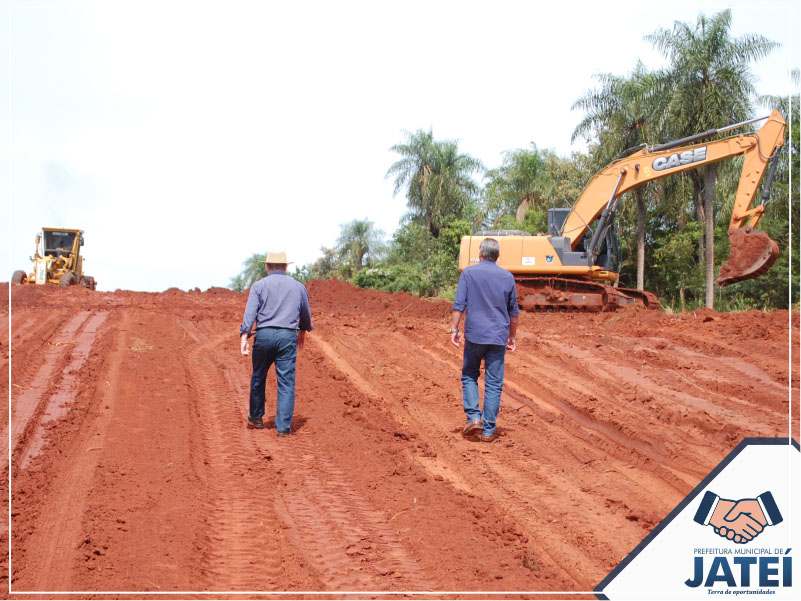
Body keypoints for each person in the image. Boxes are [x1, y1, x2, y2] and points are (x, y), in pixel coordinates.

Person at [449, 238, 519, 442]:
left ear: (480, 253)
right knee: (494, 383)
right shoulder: (507, 277)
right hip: (498, 336)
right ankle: (488, 430)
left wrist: (454, 329)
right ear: (497, 256)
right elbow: (513, 313)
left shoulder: (469, 273)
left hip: (475, 335)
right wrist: (512, 336)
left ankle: (473, 417)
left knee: (470, 374)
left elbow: (459, 304)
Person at [240, 251, 313, 436]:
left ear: (267, 266)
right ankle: (283, 428)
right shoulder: (298, 287)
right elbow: (305, 314)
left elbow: (250, 313)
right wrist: (303, 330)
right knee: (286, 382)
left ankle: (256, 418)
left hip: (263, 336)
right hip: (287, 337)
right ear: (286, 266)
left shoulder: (258, 286)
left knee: (258, 376)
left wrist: (244, 335)